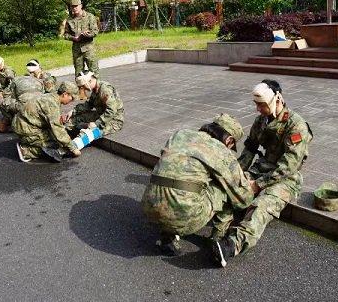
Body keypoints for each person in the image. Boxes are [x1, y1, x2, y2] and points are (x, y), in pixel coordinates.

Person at [212, 79, 313, 267]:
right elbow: (250, 149)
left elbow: (288, 166)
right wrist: (236, 174)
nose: (258, 109)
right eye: (256, 105)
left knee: (262, 205)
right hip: (262, 169)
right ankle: (217, 226)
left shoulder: (295, 125)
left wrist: (258, 185)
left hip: (286, 179)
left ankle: (231, 245)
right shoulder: (261, 121)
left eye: (261, 105)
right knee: (231, 189)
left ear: (277, 100)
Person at [141, 114, 256, 258]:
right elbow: (243, 198)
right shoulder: (220, 150)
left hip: (149, 206)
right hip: (184, 215)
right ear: (229, 140)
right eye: (231, 146)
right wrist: (251, 186)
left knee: (177, 183)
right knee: (226, 189)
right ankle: (218, 240)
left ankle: (167, 238)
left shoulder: (180, 134)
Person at [13, 81, 82, 163]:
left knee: (58, 139)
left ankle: (30, 141)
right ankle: (26, 151)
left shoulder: (51, 96)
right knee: (55, 149)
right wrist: (73, 148)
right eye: (72, 98)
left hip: (25, 124)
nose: (72, 101)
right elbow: (58, 130)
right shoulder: (52, 104)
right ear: (65, 94)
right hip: (25, 128)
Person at [62, 71, 123, 152]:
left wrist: (96, 123)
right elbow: (89, 105)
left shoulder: (105, 90)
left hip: (114, 120)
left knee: (91, 132)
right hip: (101, 114)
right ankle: (59, 136)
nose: (83, 89)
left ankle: (66, 150)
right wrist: (73, 111)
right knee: (76, 118)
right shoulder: (95, 90)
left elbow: (111, 110)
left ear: (89, 81)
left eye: (83, 86)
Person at [0, 59, 52, 133]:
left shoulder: (46, 78)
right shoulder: (28, 76)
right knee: (7, 101)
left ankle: (8, 124)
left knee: (3, 103)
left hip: (38, 104)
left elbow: (50, 94)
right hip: (29, 102)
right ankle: (8, 122)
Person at [63, 0, 99, 78]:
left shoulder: (90, 17)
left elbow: (95, 31)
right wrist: (73, 38)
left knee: (94, 72)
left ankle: (96, 89)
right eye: (72, 7)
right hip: (77, 50)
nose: (74, 8)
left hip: (89, 49)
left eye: (76, 6)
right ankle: (81, 90)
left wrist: (87, 34)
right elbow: (65, 34)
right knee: (79, 74)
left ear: (81, 6)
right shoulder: (69, 20)